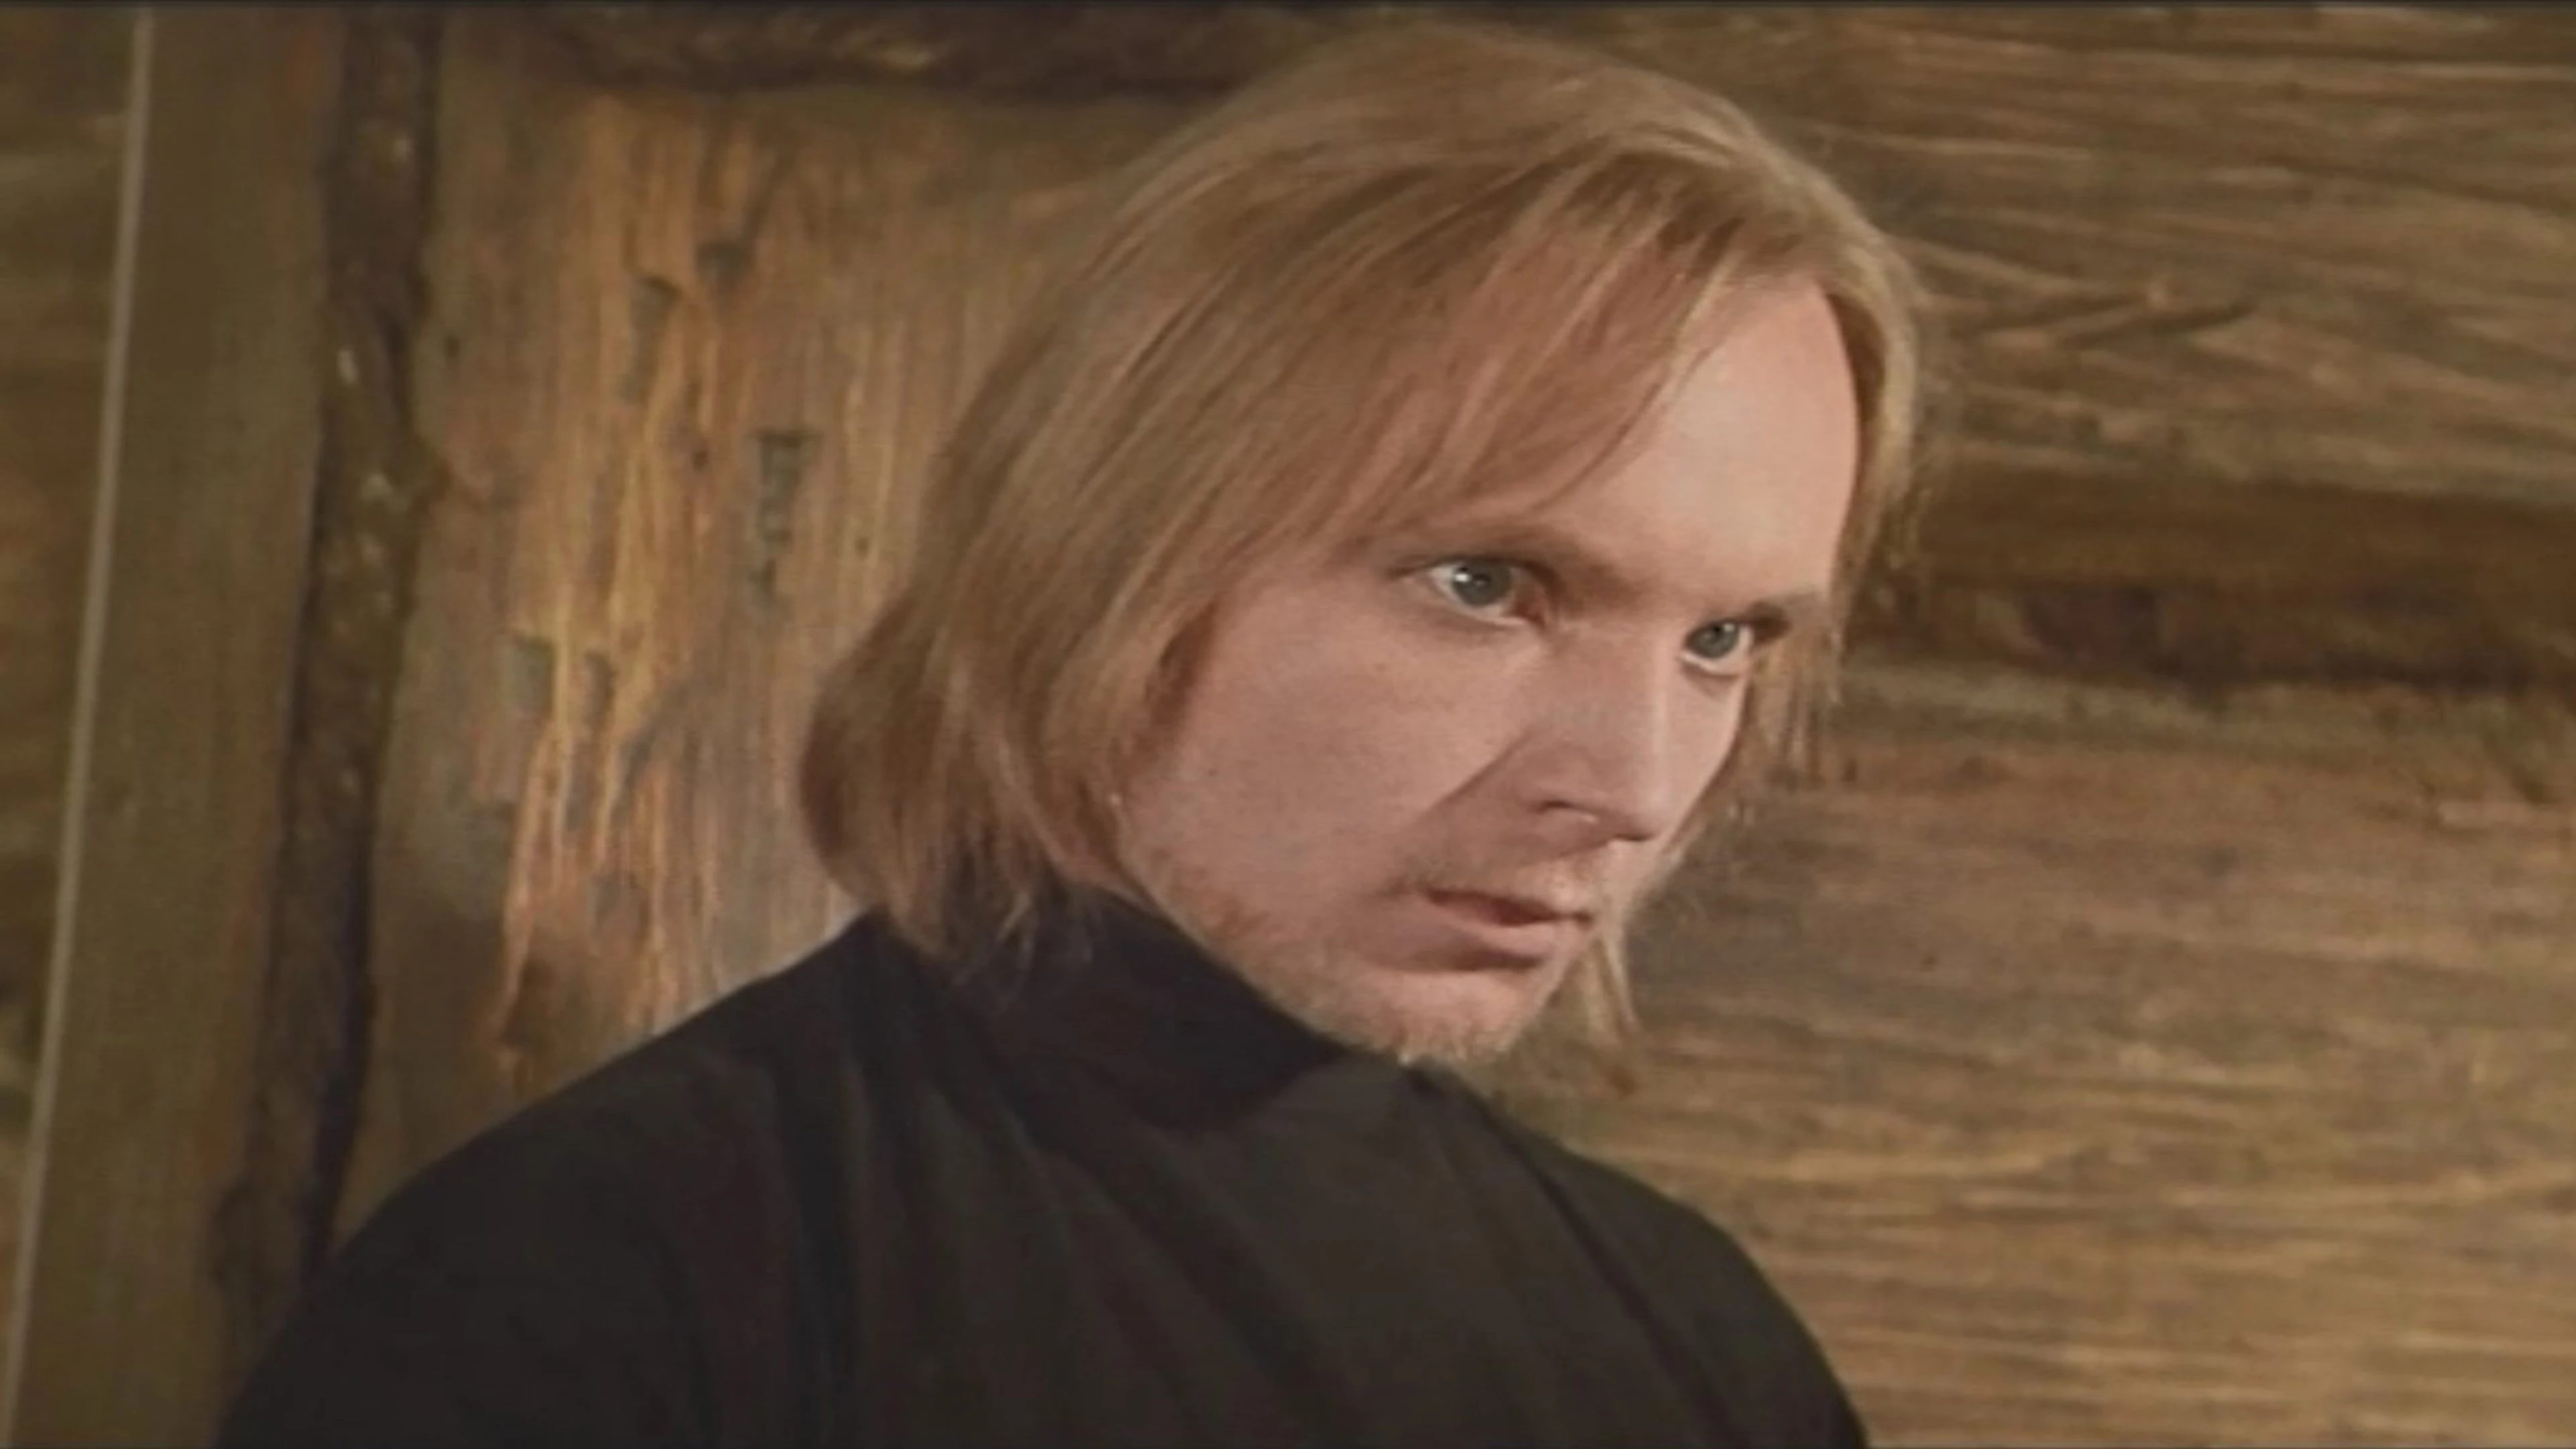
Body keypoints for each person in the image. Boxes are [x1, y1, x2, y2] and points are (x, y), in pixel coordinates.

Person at [219, 17, 1925, 1448]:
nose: (1632, 787)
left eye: (1723, 640)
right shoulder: (602, 1290)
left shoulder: (1705, 1355)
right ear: (1115, 546)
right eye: (1489, 585)